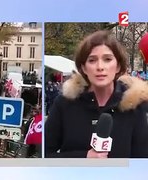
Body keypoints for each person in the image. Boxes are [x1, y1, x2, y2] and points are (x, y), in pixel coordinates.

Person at [45, 30, 148, 158]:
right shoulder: (64, 104)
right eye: (92, 60)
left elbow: (142, 161)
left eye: (107, 59)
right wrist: (84, 158)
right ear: (83, 67)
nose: (100, 67)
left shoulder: (135, 107)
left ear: (118, 66)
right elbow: (45, 156)